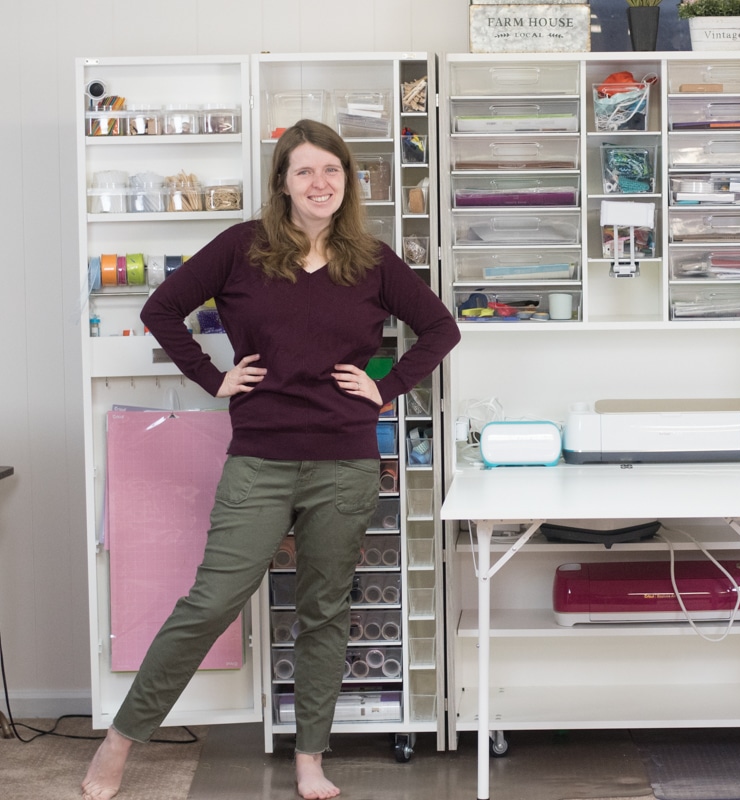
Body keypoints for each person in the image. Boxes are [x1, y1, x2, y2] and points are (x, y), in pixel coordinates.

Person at [82, 119, 460, 800]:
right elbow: (162, 307)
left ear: (348, 182)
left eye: (333, 171)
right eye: (305, 171)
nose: (321, 183)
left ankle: (310, 759)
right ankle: (117, 743)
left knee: (323, 612)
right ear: (282, 182)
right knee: (210, 601)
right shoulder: (240, 250)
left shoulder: (370, 259)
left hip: (345, 463)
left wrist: (385, 383)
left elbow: (441, 327)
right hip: (259, 457)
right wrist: (213, 376)